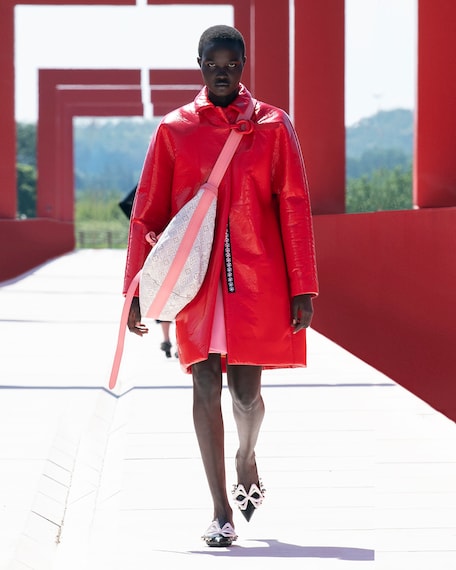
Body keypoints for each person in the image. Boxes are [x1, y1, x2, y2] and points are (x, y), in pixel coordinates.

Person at [123, 25, 318, 546]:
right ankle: (220, 511)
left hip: (256, 277)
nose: (223, 72)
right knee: (205, 383)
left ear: (243, 65)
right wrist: (135, 290)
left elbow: (294, 204)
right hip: (198, 282)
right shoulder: (174, 130)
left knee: (246, 394)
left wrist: (303, 285)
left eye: (232, 64)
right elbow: (146, 213)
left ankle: (246, 457)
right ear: (200, 66)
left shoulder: (274, 125)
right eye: (214, 64)